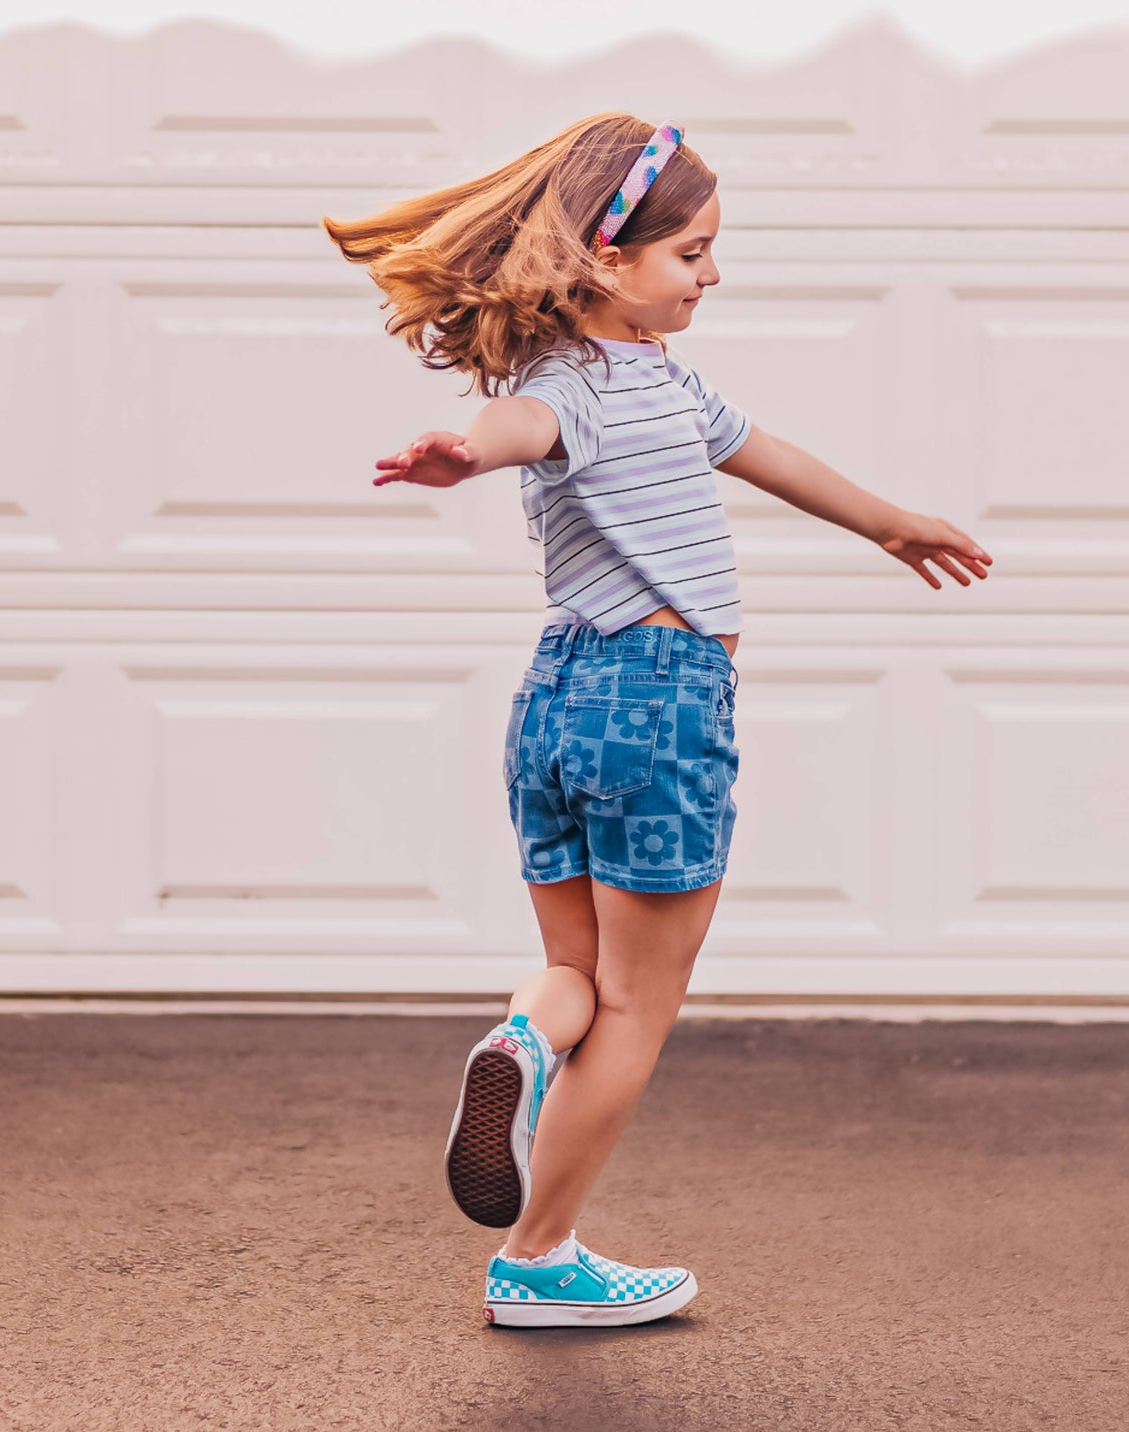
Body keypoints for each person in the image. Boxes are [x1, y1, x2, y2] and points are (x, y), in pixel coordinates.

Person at [323, 114, 993, 1328]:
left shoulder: (625, 378)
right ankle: (538, 1255)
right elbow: (517, 434)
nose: (711, 272)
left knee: (579, 977)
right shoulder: (573, 393)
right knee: (639, 1003)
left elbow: (763, 454)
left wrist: (888, 520)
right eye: (689, 252)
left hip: (554, 702)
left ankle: (523, 1042)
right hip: (659, 704)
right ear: (598, 259)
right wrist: (461, 456)